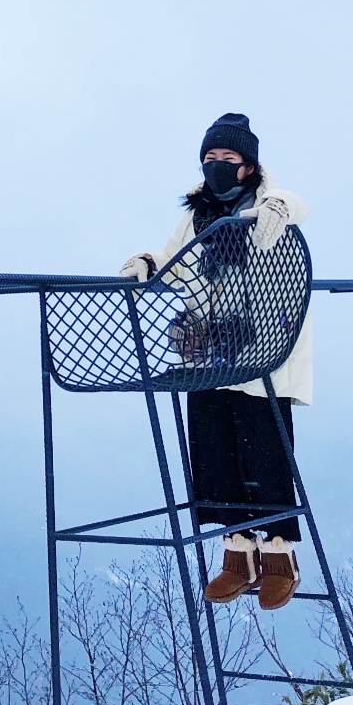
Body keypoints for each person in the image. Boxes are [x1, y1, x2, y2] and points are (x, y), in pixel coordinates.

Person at [121, 113, 311, 611]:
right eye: (211, 159)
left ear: (249, 164)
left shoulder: (269, 201)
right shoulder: (198, 214)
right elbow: (174, 256)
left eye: (228, 158)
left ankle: (278, 555)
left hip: (263, 343)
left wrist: (274, 209)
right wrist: (145, 263)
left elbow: (294, 206)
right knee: (212, 440)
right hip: (210, 345)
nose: (218, 167)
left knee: (263, 443)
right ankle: (236, 553)